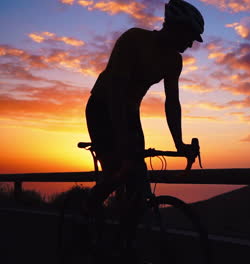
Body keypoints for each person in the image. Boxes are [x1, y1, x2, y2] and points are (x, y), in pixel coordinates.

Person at [83, 0, 204, 254]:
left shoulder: (174, 61)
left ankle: (124, 244)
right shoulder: (134, 40)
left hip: (128, 113)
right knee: (117, 170)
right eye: (189, 36)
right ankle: (85, 216)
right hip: (102, 108)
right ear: (173, 27)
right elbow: (115, 93)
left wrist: (179, 144)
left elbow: (172, 103)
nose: (191, 44)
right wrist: (123, 142)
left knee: (139, 182)